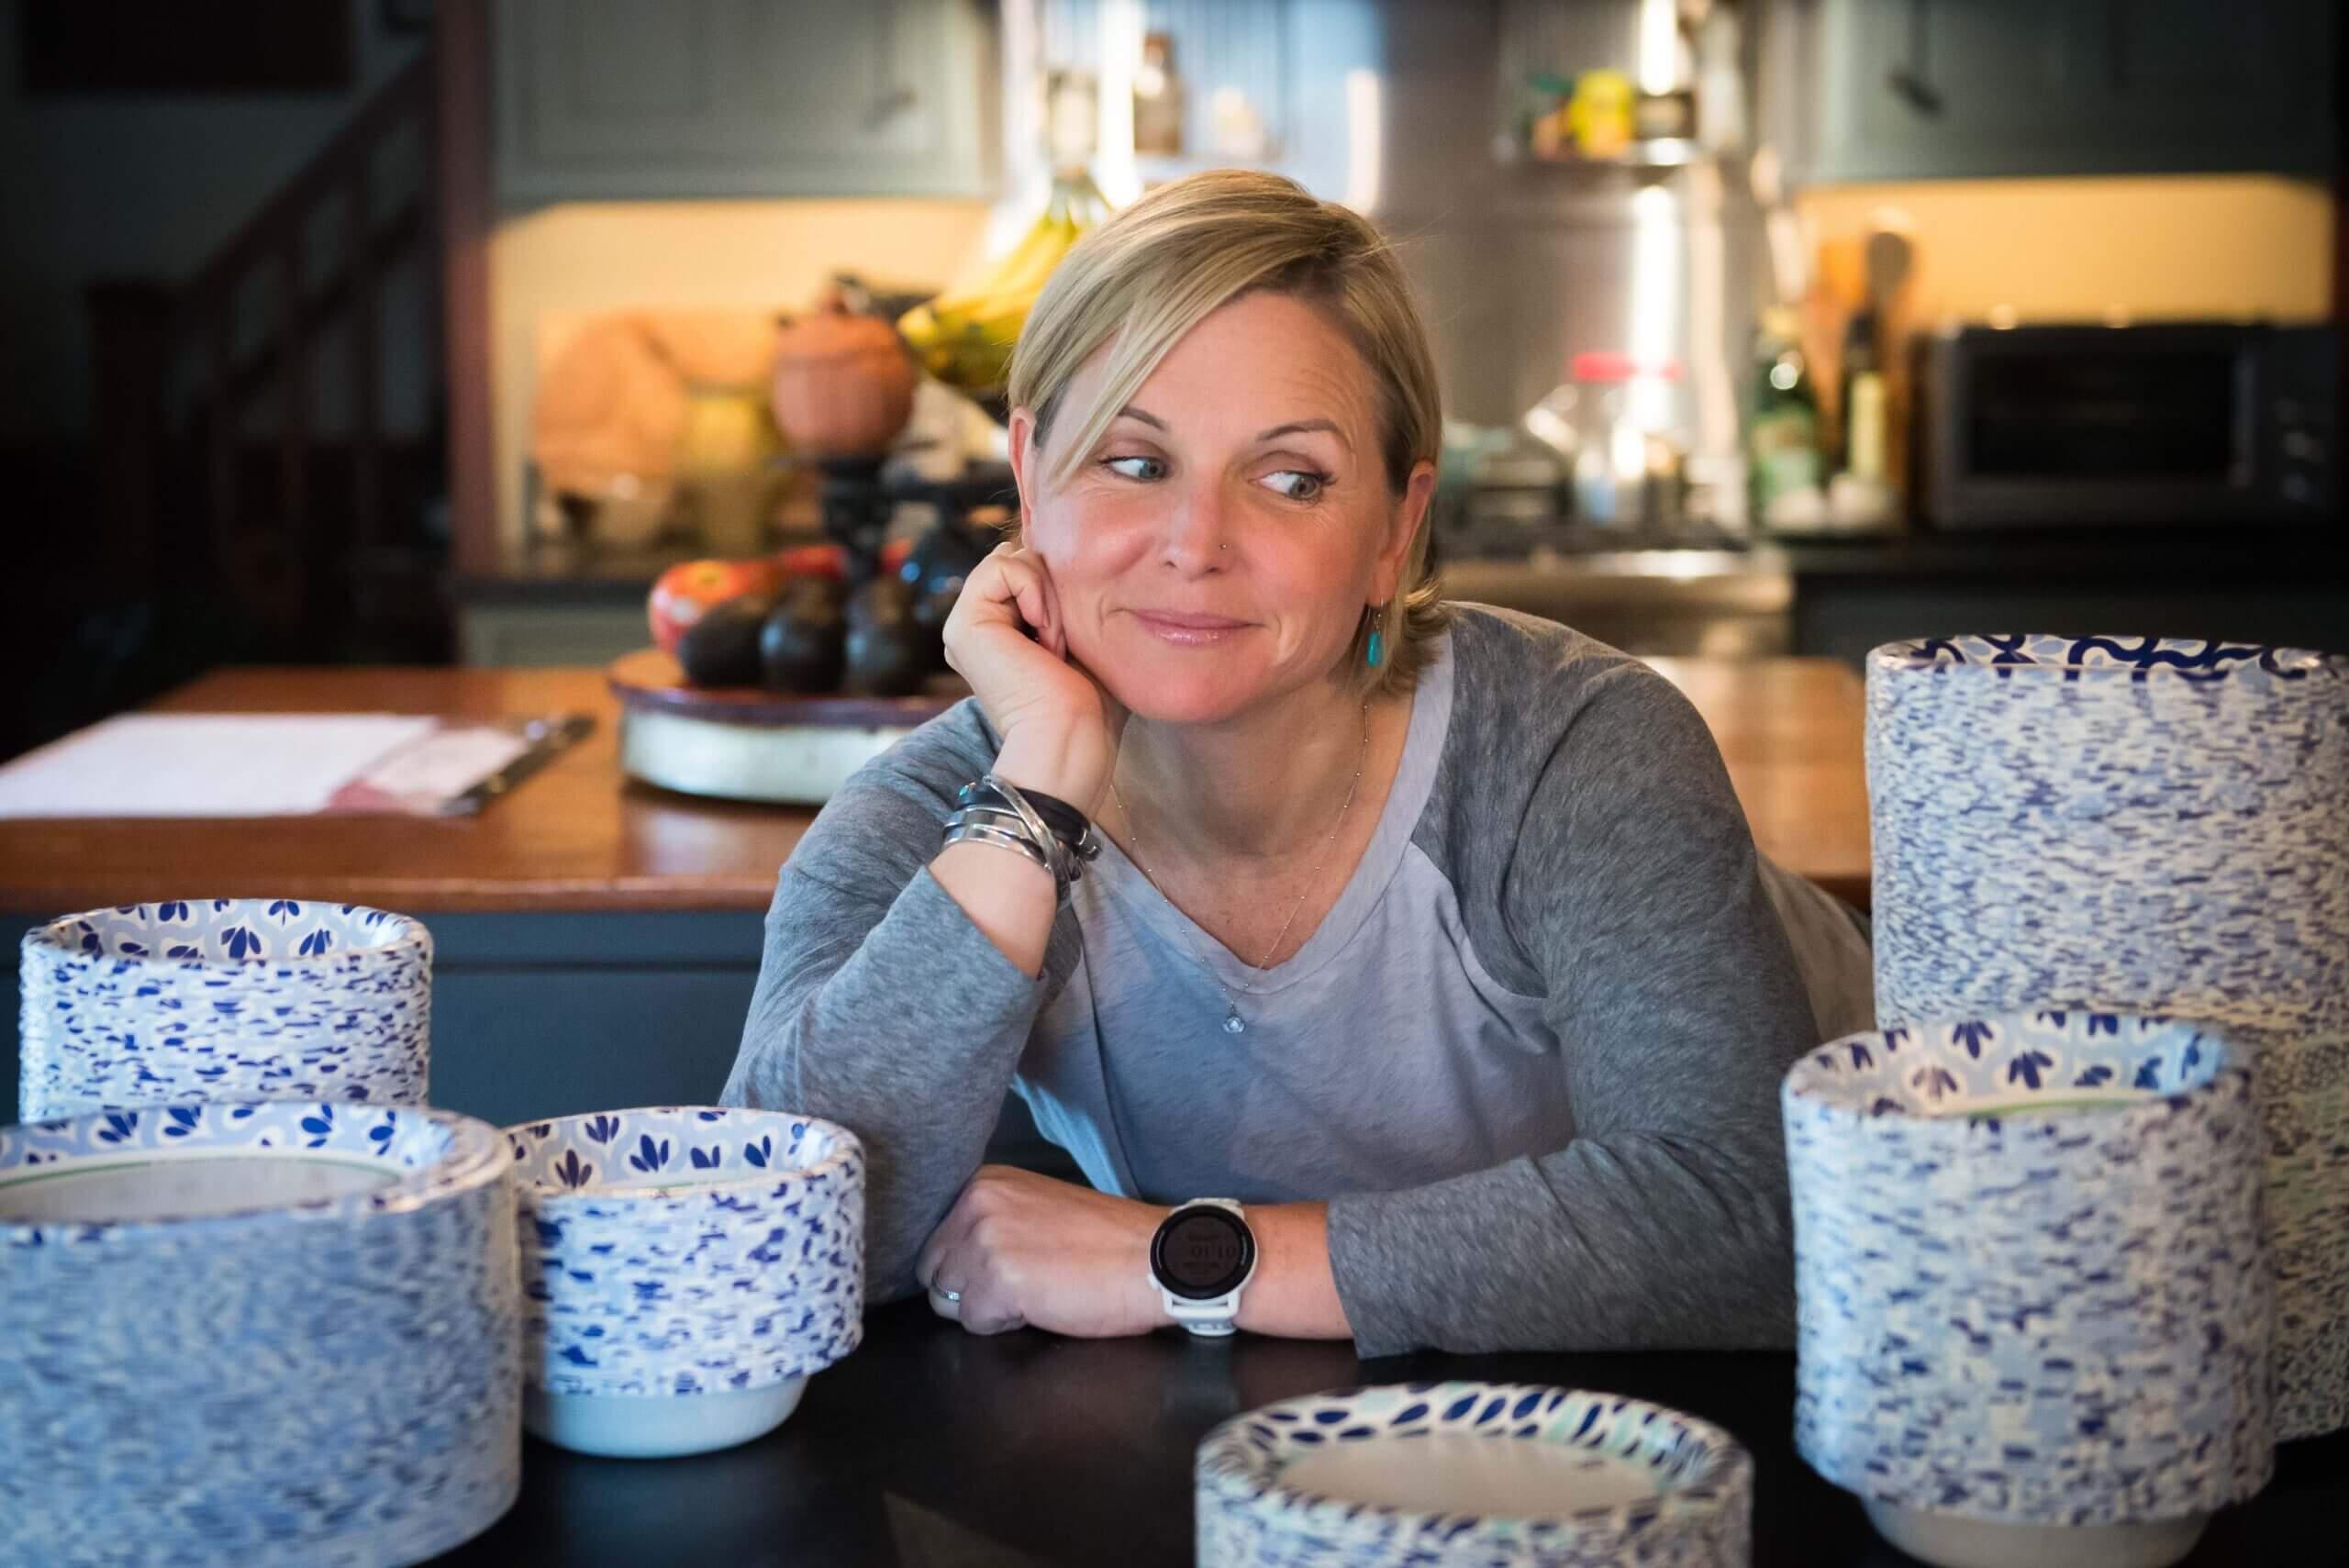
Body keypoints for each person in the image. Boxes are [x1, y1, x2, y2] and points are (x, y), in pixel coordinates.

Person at [721, 169, 1873, 1358]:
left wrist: (1178, 1259)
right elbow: (767, 1253)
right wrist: (1037, 796)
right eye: (1132, 459)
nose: (1198, 543)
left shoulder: (1573, 752)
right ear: (1027, 471)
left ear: (1393, 530)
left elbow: (1739, 1224)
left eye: (1290, 479)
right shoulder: (945, 814)